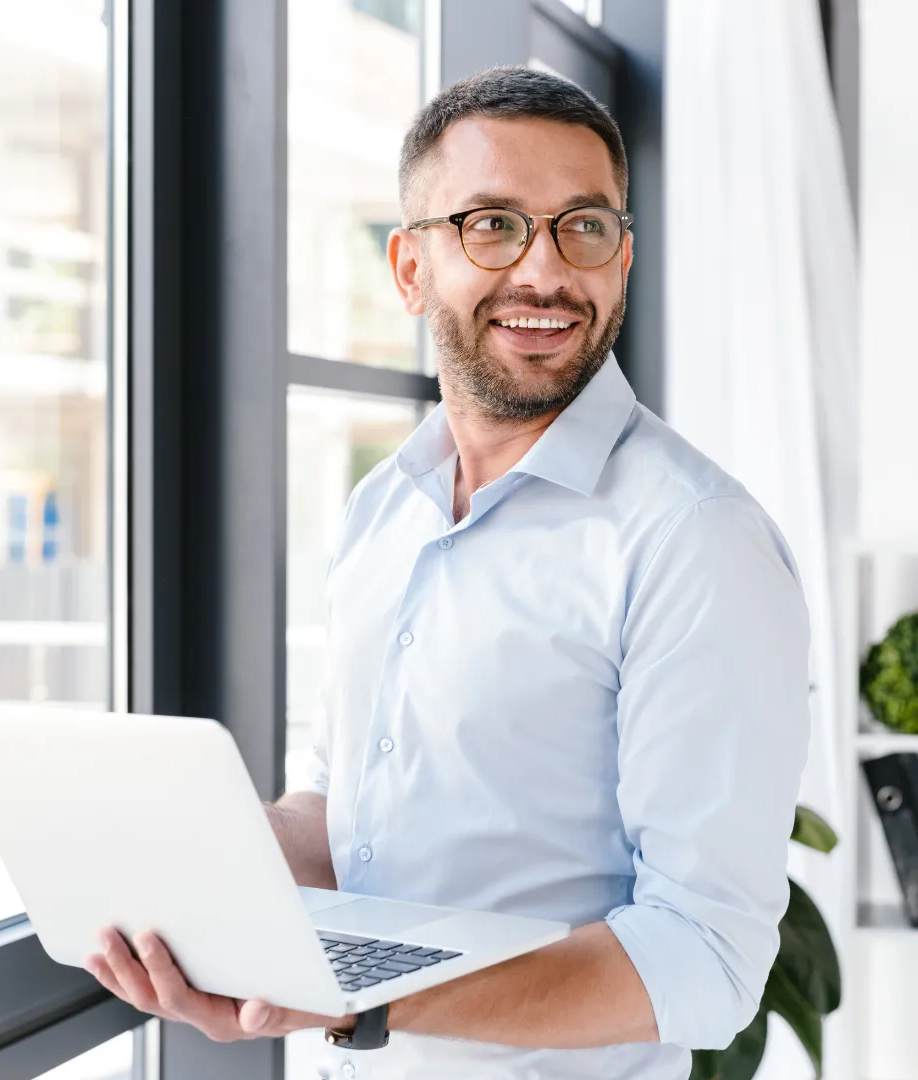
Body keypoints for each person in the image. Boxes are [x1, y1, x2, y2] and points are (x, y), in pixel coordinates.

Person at [85, 65, 811, 1080]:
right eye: (492, 225)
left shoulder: (694, 540)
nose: (544, 273)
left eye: (582, 227)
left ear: (624, 258)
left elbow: (709, 960)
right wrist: (187, 864)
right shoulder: (384, 507)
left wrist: (362, 995)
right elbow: (346, 813)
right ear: (411, 268)